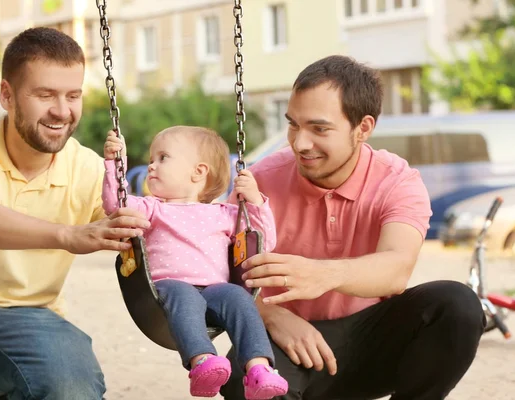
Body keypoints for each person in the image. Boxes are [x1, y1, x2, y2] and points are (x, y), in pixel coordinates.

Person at [220, 55, 486, 400]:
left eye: (319, 128)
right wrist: (268, 315)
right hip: (288, 344)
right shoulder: (260, 180)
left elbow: (396, 269)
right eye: (293, 125)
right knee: (247, 379)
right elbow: (216, 266)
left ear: (363, 128)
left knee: (457, 304)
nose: (300, 143)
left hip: (372, 342)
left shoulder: (397, 182)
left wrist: (323, 274)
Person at [0, 27, 150, 400]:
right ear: (7, 95)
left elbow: (143, 231)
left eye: (73, 95)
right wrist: (67, 235)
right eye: (45, 94)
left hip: (30, 319)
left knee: (73, 385)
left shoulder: (89, 169)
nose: (62, 111)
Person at [102, 127, 288, 399]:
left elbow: (262, 242)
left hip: (215, 290)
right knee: (184, 294)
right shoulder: (152, 208)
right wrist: (114, 164)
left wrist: (256, 201)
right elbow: (115, 204)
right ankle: (203, 362)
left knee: (238, 297)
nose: (152, 165)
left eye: (163, 158)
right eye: (152, 158)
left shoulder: (225, 213)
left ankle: (258, 369)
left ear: (198, 172)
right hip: (169, 289)